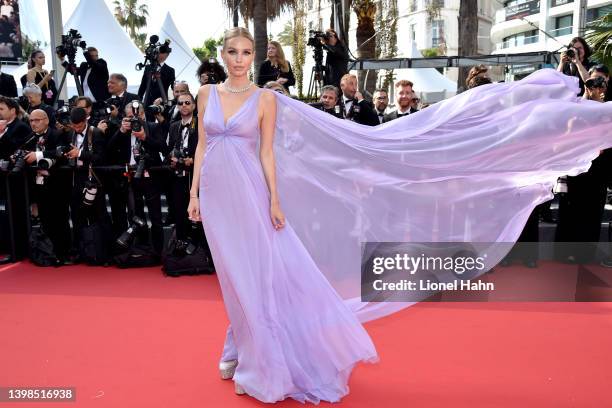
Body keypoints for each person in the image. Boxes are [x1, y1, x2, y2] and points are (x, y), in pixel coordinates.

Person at [187, 27, 378, 403]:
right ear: (222, 55)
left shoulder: (264, 100)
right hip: (215, 196)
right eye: (232, 52)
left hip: (249, 193)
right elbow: (201, 146)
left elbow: (267, 153)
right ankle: (239, 346)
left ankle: (257, 362)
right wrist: (193, 193)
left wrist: (274, 199)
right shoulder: (206, 93)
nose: (239, 59)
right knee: (231, 279)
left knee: (254, 276)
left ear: (251, 59)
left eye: (245, 53)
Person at [137, 43, 175, 107]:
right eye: (159, 53)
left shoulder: (170, 70)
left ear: (167, 55)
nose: (161, 56)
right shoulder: (148, 67)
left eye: (164, 55)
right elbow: (143, 86)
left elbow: (174, 87)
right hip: (147, 102)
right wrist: (138, 101)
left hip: (161, 103)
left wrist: (174, 101)